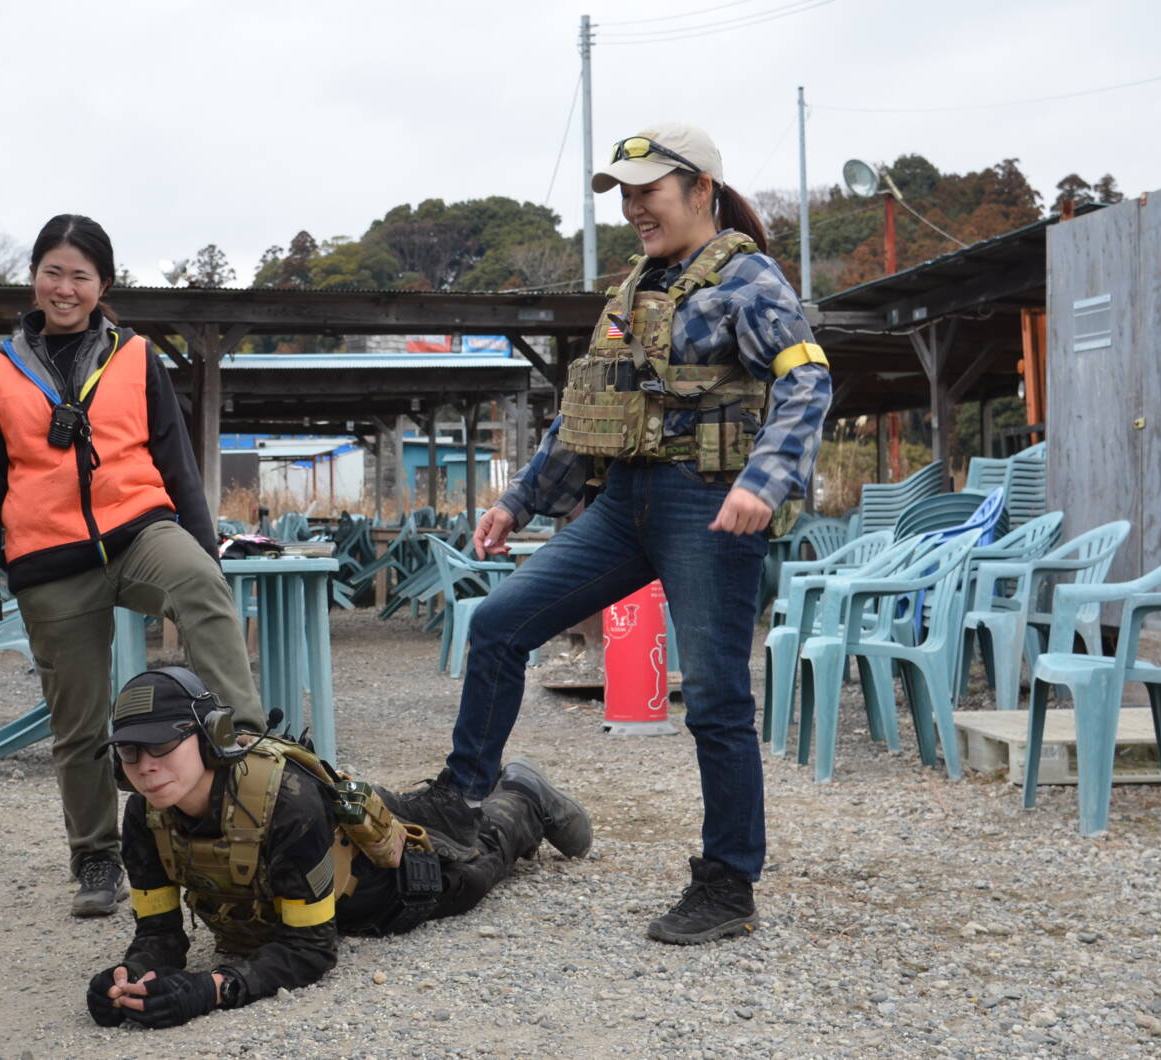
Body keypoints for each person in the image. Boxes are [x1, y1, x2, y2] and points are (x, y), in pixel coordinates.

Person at [382, 123, 832, 945]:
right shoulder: (631, 291)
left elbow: (807, 380)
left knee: (717, 700)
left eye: (648, 191)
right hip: (623, 505)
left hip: (707, 504)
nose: (633, 209)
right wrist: (517, 502)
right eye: (625, 195)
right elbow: (585, 416)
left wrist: (763, 481)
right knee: (498, 625)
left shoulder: (749, 279)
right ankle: (460, 797)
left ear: (701, 188)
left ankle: (728, 883)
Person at [0, 214, 264, 917]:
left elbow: (175, 458)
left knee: (199, 584)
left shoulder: (135, 356)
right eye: (53, 273)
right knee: (78, 725)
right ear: (33, 278)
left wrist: (205, 550)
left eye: (80, 276)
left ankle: (244, 744)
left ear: (104, 285)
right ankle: (96, 857)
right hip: (49, 559)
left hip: (137, 531)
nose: (64, 288)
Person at [85, 667, 592, 1028]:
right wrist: (130, 977)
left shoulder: (286, 803)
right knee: (437, 812)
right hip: (309, 867)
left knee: (479, 861)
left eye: (162, 745)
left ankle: (523, 794)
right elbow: (160, 934)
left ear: (209, 737)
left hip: (383, 894)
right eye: (129, 750)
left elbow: (310, 948)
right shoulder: (145, 814)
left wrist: (215, 988)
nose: (145, 765)